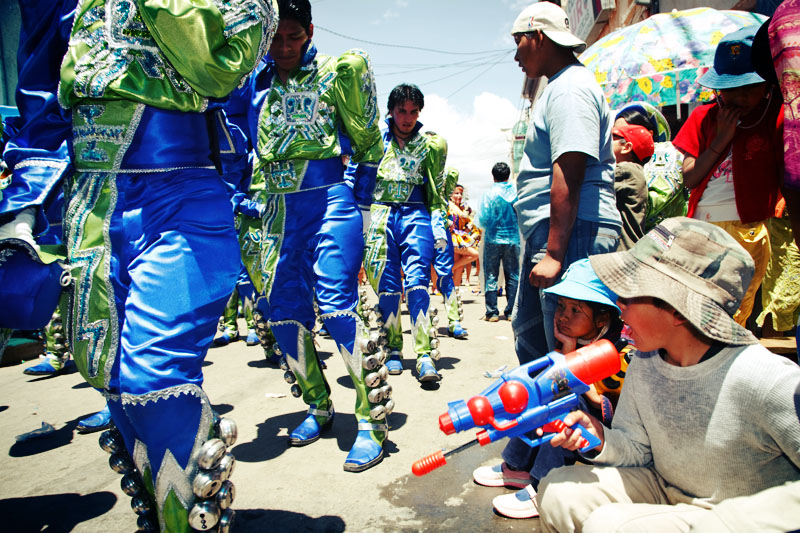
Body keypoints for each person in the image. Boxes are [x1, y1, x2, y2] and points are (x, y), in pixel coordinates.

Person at [0, 0, 279, 530]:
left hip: (182, 193)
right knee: (112, 381)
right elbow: (38, 101)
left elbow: (221, 67)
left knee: (154, 380)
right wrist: (21, 214)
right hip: (90, 208)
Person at [535, 217, 800, 532]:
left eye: (630, 294)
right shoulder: (646, 360)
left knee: (607, 525)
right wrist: (598, 436)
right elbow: (637, 448)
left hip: (732, 518)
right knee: (558, 492)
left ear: (678, 309)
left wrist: (729, 521)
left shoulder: (768, 378)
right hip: (664, 490)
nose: (619, 306)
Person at [230, 0, 391, 473]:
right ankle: (318, 406)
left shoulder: (336, 74)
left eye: (293, 37)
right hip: (276, 212)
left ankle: (371, 419)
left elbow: (368, 147)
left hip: (329, 202)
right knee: (281, 315)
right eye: (275, 38)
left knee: (338, 307)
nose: (283, 47)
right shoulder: (247, 86)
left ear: (310, 32)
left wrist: (359, 208)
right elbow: (235, 151)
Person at [509, 1, 622, 361]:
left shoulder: (570, 89)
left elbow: (569, 170)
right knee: (542, 349)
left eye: (518, 42)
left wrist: (555, 254)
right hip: (562, 234)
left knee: (570, 361)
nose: (516, 56)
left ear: (538, 37)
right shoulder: (559, 87)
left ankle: (581, 419)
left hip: (574, 235)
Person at [477, 258, 628, 520]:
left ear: (602, 317)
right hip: (585, 418)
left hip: (604, 434)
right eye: (561, 307)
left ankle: (544, 485)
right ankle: (516, 466)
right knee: (538, 397)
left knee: (564, 407)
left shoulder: (620, 354)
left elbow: (599, 401)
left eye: (575, 310)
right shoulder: (579, 339)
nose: (563, 317)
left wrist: (569, 362)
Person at [673, 25, 784, 327]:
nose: (739, 97)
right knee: (698, 309)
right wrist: (721, 138)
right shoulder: (703, 117)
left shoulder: (776, 114)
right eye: (729, 88)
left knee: (736, 311)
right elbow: (690, 179)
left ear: (767, 85)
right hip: (702, 228)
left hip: (750, 228)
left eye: (748, 88)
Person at [361, 83, 449, 383]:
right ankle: (394, 349)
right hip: (381, 214)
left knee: (418, 284)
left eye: (414, 111)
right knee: (388, 287)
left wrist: (438, 226)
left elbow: (437, 192)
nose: (408, 117)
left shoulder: (431, 145)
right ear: (391, 111)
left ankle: (424, 354)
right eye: (402, 111)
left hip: (416, 214)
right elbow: (357, 182)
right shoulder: (373, 141)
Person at [614, 102, 687, 233]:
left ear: (649, 134)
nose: (614, 139)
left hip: (668, 242)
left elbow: (649, 205)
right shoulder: (618, 162)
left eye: (621, 135)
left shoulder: (666, 154)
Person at [477, 161, 520, 321]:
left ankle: (492, 312)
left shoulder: (489, 194)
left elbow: (482, 218)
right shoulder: (516, 193)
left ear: (493, 176)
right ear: (508, 176)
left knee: (491, 274)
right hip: (513, 238)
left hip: (493, 238)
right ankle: (511, 312)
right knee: (513, 274)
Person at [431, 167, 469, 338]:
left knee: (445, 275)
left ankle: (454, 321)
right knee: (417, 278)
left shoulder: (444, 181)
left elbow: (458, 212)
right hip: (416, 227)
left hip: (441, 232)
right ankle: (422, 327)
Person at [610, 124, 654, 250]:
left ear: (626, 147)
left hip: (622, 249)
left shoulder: (626, 170)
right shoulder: (635, 171)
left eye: (611, 138)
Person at [449, 184, 481, 288]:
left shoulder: (462, 207)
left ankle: (455, 296)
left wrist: (468, 226)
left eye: (461, 194)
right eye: (456, 193)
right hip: (452, 238)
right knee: (475, 254)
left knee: (459, 267)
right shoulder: (448, 205)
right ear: (450, 195)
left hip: (461, 238)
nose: (459, 196)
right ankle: (449, 270)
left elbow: (469, 221)